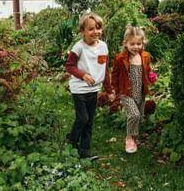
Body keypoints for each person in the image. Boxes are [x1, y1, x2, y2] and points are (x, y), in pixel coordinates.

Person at [65, 12, 115, 159]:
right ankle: (72, 141)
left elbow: (104, 69)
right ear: (83, 31)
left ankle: (85, 151)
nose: (96, 32)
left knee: (89, 121)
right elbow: (70, 66)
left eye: (98, 28)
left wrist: (109, 89)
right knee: (83, 118)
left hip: (94, 90)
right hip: (79, 89)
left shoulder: (103, 47)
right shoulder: (78, 47)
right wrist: (83, 75)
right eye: (91, 29)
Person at [111, 25, 153, 153]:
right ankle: (129, 138)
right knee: (134, 114)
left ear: (143, 43)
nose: (136, 47)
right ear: (125, 43)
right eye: (132, 44)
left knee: (139, 117)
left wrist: (151, 76)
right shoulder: (120, 58)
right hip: (126, 91)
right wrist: (114, 90)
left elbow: (147, 70)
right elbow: (115, 75)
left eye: (138, 43)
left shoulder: (145, 56)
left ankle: (134, 137)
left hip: (140, 91)